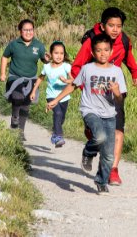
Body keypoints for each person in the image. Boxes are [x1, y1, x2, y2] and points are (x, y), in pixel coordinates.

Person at [47, 33, 127, 194]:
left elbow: (120, 101)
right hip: (90, 110)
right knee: (99, 137)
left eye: (106, 50)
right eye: (98, 50)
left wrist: (117, 93)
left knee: (108, 155)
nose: (102, 53)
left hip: (110, 114)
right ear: (92, 52)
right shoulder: (87, 69)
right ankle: (88, 152)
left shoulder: (117, 72)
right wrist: (56, 99)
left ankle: (101, 181)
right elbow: (73, 86)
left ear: (111, 52)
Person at [71, 7, 137, 185]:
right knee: (98, 135)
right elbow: (77, 67)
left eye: (119, 26)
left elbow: (129, 58)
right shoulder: (92, 42)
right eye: (111, 25)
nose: (115, 29)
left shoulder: (124, 40)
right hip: (94, 95)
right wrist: (84, 88)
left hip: (114, 93)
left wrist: (135, 72)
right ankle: (91, 145)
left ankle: (113, 171)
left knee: (118, 131)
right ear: (103, 26)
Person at [0, 19, 49, 138]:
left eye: (30, 30)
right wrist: (2, 73)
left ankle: (20, 132)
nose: (28, 32)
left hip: (31, 79)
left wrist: (48, 58)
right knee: (18, 96)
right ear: (20, 31)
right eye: (25, 30)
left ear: (33, 30)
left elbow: (45, 60)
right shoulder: (14, 44)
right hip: (15, 77)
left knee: (26, 103)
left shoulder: (38, 45)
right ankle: (15, 117)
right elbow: (5, 57)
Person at [30, 40, 72, 147]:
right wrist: (34, 91)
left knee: (61, 118)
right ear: (51, 54)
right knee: (57, 114)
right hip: (51, 96)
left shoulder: (66, 66)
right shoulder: (47, 67)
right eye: (56, 53)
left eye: (61, 53)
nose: (59, 56)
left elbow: (73, 80)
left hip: (64, 97)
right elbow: (40, 78)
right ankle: (58, 137)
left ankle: (54, 133)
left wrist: (66, 81)